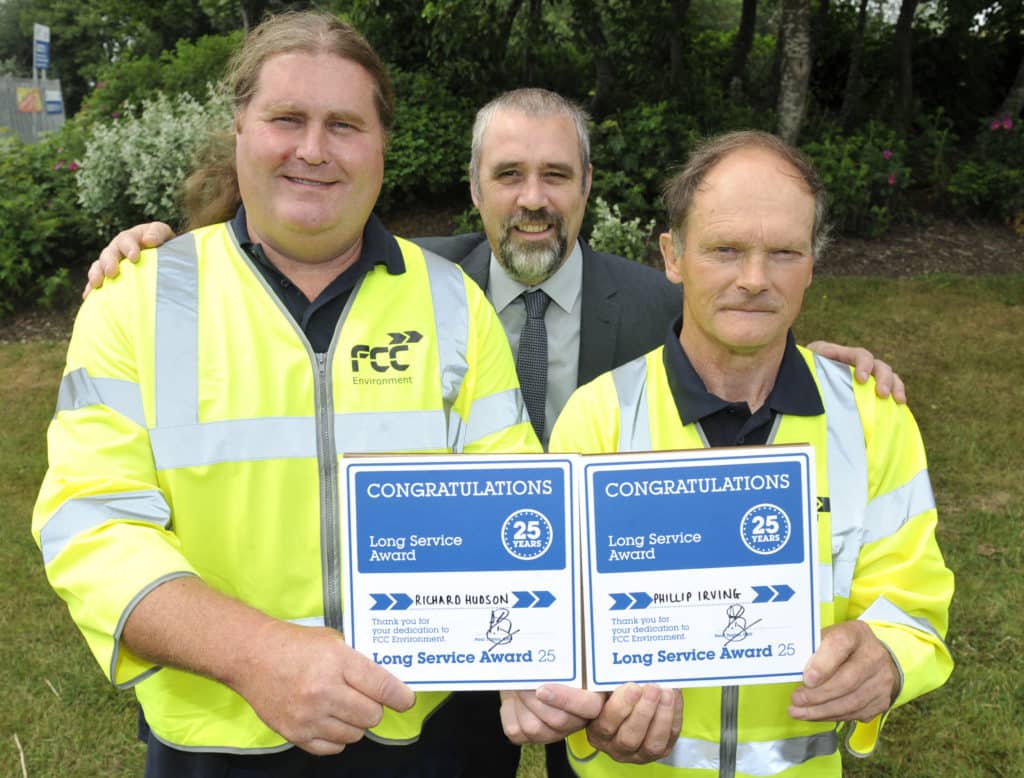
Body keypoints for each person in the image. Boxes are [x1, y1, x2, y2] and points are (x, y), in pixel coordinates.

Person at [84, 88, 906, 777]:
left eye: (557, 175)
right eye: (508, 174)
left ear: (587, 186)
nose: (533, 198)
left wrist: (837, 370)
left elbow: (749, 336)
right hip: (450, 668)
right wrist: (160, 253)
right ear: (474, 188)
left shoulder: (660, 301)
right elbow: (284, 256)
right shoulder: (414, 284)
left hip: (626, 667)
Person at [31, 11, 539, 778]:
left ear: (381, 144)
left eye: (344, 125)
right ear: (240, 128)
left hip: (427, 736)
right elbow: (91, 525)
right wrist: (256, 655)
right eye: (287, 119)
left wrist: (542, 655)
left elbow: (514, 509)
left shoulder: (453, 304)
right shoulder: (137, 300)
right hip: (218, 739)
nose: (313, 149)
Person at [536, 130, 954, 776]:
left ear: (812, 263)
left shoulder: (872, 420)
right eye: (725, 250)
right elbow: (557, 629)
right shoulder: (599, 418)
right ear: (673, 256)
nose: (754, 280)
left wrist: (890, 658)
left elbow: (915, 601)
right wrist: (594, 715)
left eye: (784, 253)